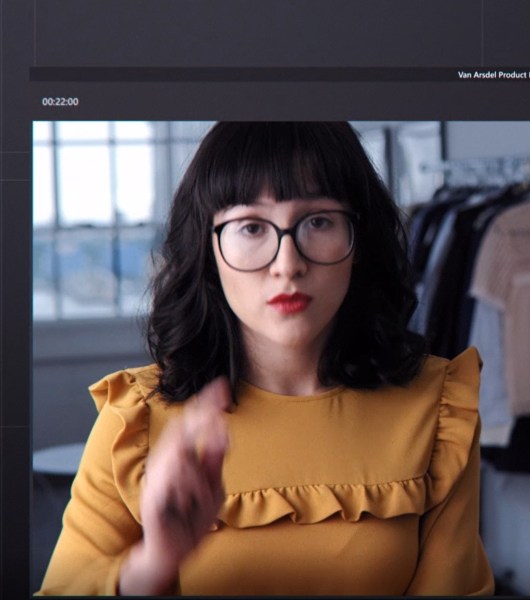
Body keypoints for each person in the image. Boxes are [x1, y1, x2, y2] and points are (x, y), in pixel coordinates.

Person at [38, 122, 494, 595]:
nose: (287, 263)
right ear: (209, 248)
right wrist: (152, 565)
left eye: (318, 221)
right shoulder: (133, 420)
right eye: (252, 226)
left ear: (358, 239)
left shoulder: (439, 407)